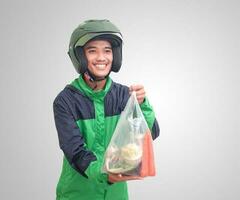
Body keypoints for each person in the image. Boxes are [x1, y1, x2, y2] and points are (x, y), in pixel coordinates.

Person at [53, 19, 160, 200]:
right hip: (77, 194)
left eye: (107, 50)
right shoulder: (66, 101)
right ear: (80, 56)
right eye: (92, 50)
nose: (101, 57)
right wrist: (107, 174)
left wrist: (142, 104)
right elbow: (76, 152)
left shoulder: (123, 95)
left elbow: (149, 135)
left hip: (116, 195)